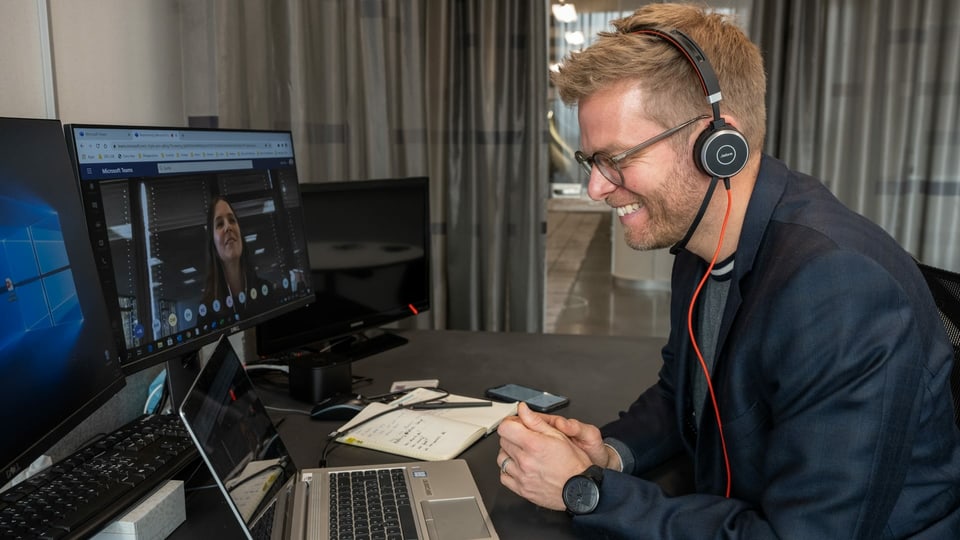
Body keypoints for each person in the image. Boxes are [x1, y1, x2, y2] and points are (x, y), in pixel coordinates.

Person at [496, 3, 960, 538]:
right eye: (590, 162)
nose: (597, 187)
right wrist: (613, 453)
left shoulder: (839, 290)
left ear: (719, 146)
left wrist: (587, 490)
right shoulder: (702, 239)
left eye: (616, 158)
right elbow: (684, 394)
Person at [201, 196, 271, 321]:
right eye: (220, 224)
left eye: (232, 220)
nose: (228, 227)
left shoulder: (266, 290)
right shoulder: (207, 312)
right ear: (214, 246)